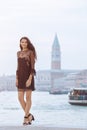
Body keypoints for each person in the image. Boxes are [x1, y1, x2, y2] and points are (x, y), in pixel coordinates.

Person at [16, 37, 37, 125]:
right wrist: (16, 78)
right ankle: (29, 116)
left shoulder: (30, 53)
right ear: (20, 43)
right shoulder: (18, 53)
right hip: (20, 77)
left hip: (28, 77)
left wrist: (30, 79)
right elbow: (18, 67)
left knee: (28, 98)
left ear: (28, 43)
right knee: (20, 98)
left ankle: (25, 118)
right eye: (22, 42)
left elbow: (32, 68)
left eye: (25, 42)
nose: (24, 43)